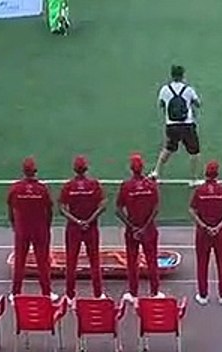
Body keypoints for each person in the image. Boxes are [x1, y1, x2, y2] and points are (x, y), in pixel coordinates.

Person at [115, 153, 161, 302]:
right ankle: (155, 293)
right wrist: (144, 227)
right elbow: (156, 209)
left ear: (131, 168)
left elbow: (118, 210)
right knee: (152, 261)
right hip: (149, 230)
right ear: (142, 168)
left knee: (132, 262)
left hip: (131, 231)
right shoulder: (151, 185)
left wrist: (132, 227)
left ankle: (133, 294)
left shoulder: (126, 186)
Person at [59, 155, 106, 299]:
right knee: (94, 262)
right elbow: (103, 205)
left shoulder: (68, 186)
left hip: (73, 229)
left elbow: (62, 208)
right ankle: (98, 294)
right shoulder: (94, 185)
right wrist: (89, 220)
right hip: (91, 228)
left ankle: (70, 295)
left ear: (74, 169)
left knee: (71, 262)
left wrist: (77, 221)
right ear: (86, 168)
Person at [7, 157, 54, 298]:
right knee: (43, 263)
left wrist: (15, 225)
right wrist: (46, 227)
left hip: (22, 230)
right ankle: (46, 293)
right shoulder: (41, 189)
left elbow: (11, 209)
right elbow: (49, 210)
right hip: (39, 230)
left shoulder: (16, 188)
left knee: (20, 261)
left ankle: (15, 293)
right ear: (35, 171)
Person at [189, 160, 222, 306]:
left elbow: (192, 210)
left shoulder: (199, 191)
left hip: (203, 233)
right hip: (221, 233)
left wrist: (204, 226)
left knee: (202, 264)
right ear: (217, 174)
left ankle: (203, 295)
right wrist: (219, 227)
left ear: (206, 174)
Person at [155, 64, 202, 181]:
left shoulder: (165, 89)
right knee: (194, 152)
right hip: (187, 125)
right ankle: (194, 179)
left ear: (172, 75)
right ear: (182, 76)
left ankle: (156, 172)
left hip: (171, 125)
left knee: (168, 149)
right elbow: (198, 104)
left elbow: (161, 104)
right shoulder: (188, 89)